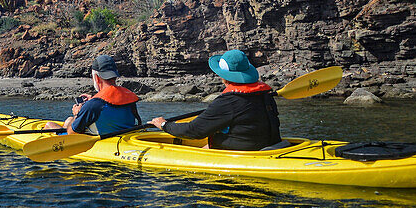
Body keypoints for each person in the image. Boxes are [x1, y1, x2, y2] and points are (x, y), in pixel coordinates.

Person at [148, 49, 281, 151]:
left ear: (224, 77)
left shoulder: (229, 101)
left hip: (246, 152)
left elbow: (194, 130)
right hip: (268, 146)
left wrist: (164, 125)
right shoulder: (265, 95)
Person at [48, 54, 141, 136]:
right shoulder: (127, 97)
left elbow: (72, 133)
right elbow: (109, 105)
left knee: (49, 125)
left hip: (98, 141)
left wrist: (77, 114)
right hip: (122, 135)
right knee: (68, 120)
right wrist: (93, 99)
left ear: (96, 77)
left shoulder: (94, 105)